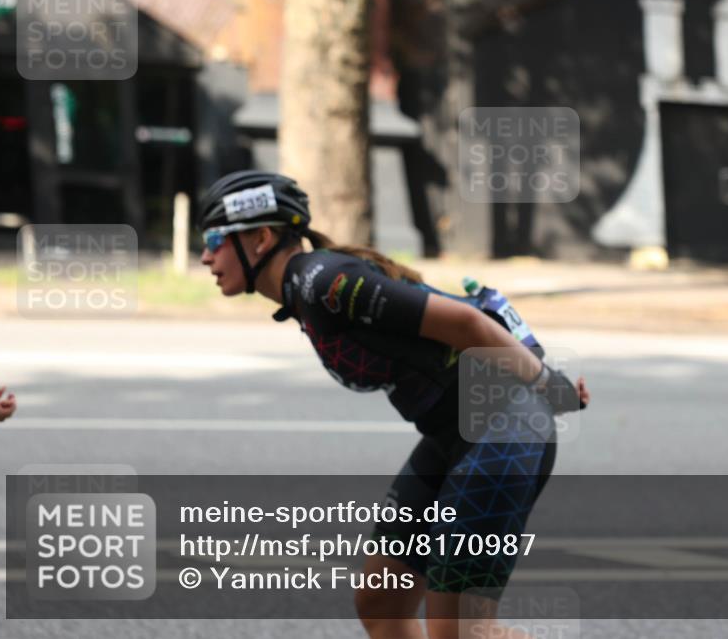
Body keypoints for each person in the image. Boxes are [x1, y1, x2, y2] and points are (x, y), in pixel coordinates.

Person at [198, 171, 589, 638]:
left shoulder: (325, 282)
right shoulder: (306, 289)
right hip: (454, 435)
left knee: (461, 631)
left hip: (504, 429)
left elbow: (465, 322)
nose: (205, 256)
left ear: (260, 238)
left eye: (216, 239)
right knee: (383, 602)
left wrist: (551, 387)